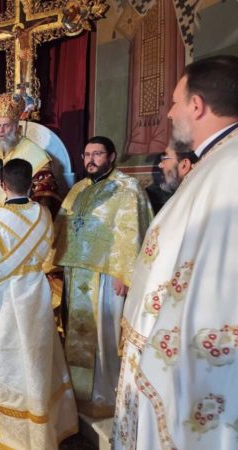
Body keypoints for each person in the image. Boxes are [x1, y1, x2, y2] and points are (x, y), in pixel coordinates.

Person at [113, 55, 238, 450]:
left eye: (175, 102)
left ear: (197, 106)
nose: (169, 113)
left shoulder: (229, 169)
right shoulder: (217, 163)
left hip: (194, 368)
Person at [0, 159, 77, 449]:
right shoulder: (43, 214)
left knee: (10, 364)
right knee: (37, 360)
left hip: (6, 307)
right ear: (31, 183)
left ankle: (15, 432)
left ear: (2, 184)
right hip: (37, 299)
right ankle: (46, 424)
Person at [50, 136, 152, 417]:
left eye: (97, 154)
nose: (90, 160)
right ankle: (77, 393)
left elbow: (133, 232)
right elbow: (61, 225)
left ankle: (106, 396)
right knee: (76, 334)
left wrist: (127, 275)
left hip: (107, 276)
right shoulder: (79, 189)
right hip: (76, 272)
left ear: (112, 156)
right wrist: (54, 262)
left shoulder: (128, 188)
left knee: (105, 336)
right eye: (87, 154)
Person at [0, 92, 61, 231]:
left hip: (15, 225)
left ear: (16, 126)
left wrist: (22, 217)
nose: (1, 131)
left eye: (6, 125)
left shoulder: (33, 152)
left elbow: (45, 194)